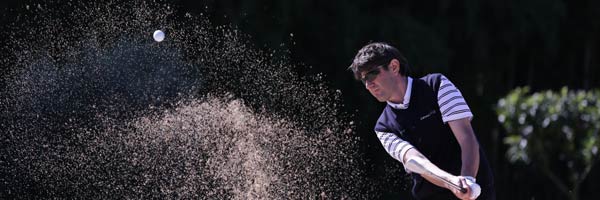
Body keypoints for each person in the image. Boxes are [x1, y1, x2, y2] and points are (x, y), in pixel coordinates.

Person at [348, 42, 495, 200]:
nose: (368, 85)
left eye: (371, 75)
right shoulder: (383, 128)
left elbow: (466, 138)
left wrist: (468, 180)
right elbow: (418, 162)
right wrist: (452, 182)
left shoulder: (437, 85)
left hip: (476, 191)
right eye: (364, 81)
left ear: (394, 67)